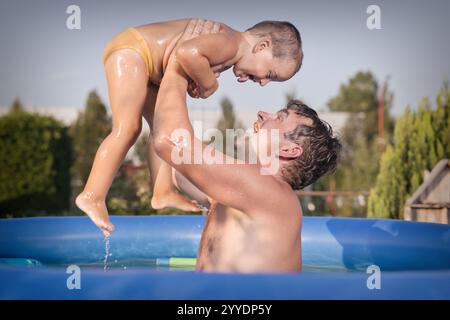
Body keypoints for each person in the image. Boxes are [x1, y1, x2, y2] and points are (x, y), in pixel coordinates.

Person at [76, 18, 304, 236]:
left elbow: (190, 59)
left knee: (160, 127)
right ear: (262, 45)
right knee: (128, 128)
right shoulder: (230, 41)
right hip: (134, 53)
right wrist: (208, 84)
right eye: (271, 74)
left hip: (153, 70)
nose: (263, 82)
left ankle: (162, 191)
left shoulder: (229, 49)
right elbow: (187, 53)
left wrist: (196, 80)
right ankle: (92, 195)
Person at [151, 48, 341, 272]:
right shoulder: (236, 194)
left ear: (289, 149)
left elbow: (170, 144)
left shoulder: (269, 192)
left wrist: (178, 64)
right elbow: (173, 165)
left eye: (279, 118)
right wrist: (158, 86)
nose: (262, 114)